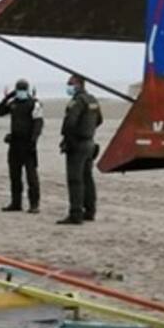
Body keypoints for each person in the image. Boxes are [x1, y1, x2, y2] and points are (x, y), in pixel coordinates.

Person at [57, 75, 103, 226]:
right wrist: (88, 131)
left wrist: (68, 141)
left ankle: (76, 213)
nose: (68, 86)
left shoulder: (77, 101)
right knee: (87, 178)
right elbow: (99, 119)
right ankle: (90, 211)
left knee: (75, 179)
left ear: (78, 84)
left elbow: (70, 123)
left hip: (77, 144)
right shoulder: (92, 100)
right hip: (89, 142)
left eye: (70, 83)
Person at [0, 78, 44, 213]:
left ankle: (34, 205)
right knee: (14, 175)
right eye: (18, 90)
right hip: (14, 144)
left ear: (27, 90)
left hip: (28, 144)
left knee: (31, 176)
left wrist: (34, 141)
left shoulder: (34, 103)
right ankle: (16, 203)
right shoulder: (13, 103)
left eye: (22, 90)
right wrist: (9, 96)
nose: (20, 92)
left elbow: (38, 123)